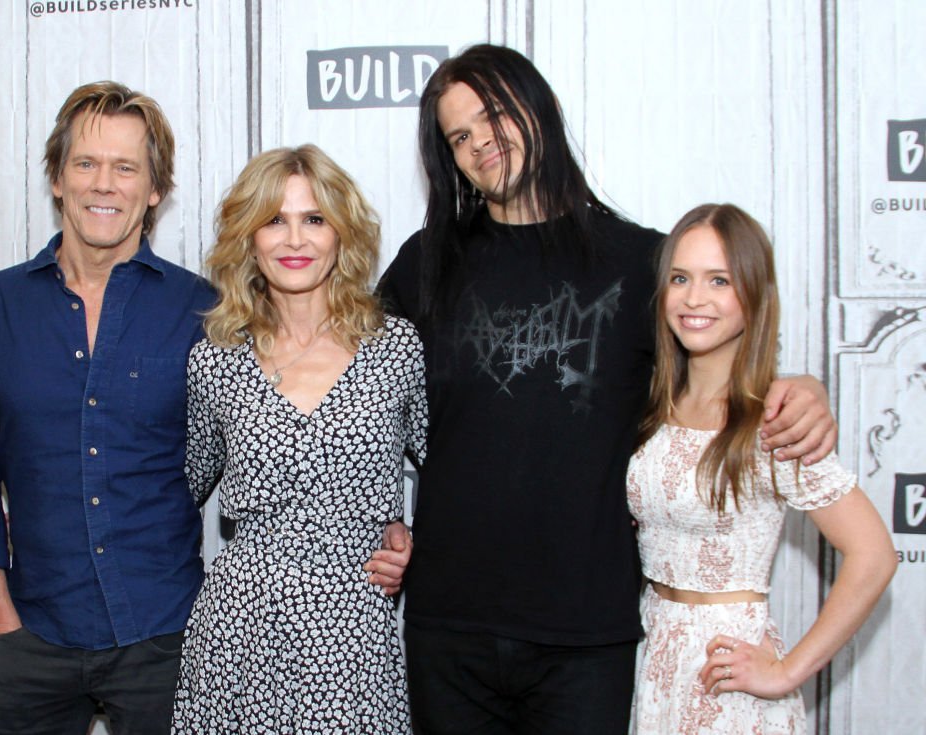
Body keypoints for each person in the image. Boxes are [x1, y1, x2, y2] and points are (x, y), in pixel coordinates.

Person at [377, 44, 838, 734]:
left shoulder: (643, 260)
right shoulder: (426, 261)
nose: (481, 143)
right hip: (450, 625)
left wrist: (800, 385)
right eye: (460, 136)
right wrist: (377, 520)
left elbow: (717, 365)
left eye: (494, 115)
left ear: (545, 111)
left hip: (588, 632)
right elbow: (354, 392)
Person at [0, 83, 405, 735]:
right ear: (57, 177)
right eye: (86, 163)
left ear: (154, 190)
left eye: (126, 167)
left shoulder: (207, 316)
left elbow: (294, 435)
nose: (104, 184)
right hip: (34, 635)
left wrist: (389, 527)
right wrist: (1, 621)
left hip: (169, 636)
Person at [171, 144, 427, 734]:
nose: (294, 240)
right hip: (238, 635)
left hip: (354, 632)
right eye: (273, 220)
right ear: (249, 238)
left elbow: (454, 469)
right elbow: (180, 487)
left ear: (342, 233)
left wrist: (418, 541)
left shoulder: (396, 349)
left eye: (313, 219)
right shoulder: (217, 358)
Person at [627, 203, 895, 733]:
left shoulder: (774, 422)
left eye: (719, 280)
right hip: (651, 657)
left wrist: (785, 671)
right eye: (680, 278)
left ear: (753, 295)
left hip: (727, 673)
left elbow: (874, 554)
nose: (694, 298)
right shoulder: (652, 404)